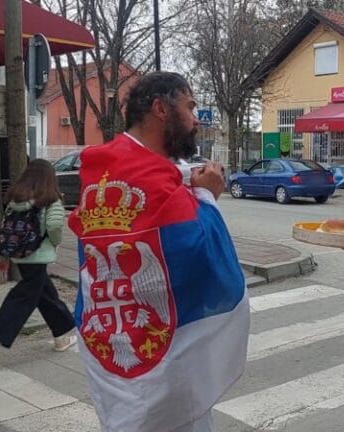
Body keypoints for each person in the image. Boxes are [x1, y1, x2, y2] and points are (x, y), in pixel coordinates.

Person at [67, 72, 249, 432]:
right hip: (162, 364)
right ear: (160, 109)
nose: (197, 118)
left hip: (111, 342)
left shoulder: (101, 168)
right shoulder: (150, 175)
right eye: (190, 106)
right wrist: (208, 196)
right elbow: (198, 255)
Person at [0, 159, 76, 371]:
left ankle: (62, 334)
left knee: (45, 294)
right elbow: (55, 225)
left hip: (20, 255)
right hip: (38, 254)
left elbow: (7, 228)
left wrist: (4, 256)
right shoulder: (50, 199)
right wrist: (55, 242)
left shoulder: (16, 200)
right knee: (22, 298)